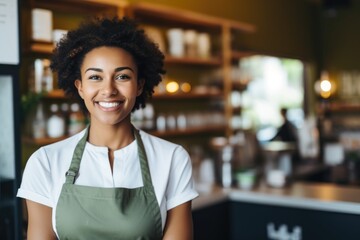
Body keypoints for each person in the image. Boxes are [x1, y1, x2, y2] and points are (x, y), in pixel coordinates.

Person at [17, 17, 198, 240]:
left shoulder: (172, 158)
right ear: (80, 87)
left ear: (139, 85)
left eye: (122, 76)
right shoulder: (44, 162)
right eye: (95, 77)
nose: (108, 90)